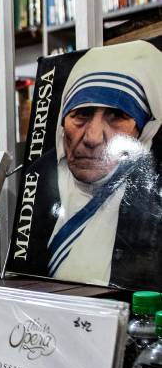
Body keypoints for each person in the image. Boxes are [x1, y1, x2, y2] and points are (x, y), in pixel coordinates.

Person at [17, 40, 162, 289]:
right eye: (82, 114)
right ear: (63, 121)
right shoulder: (39, 178)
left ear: (144, 131)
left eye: (117, 116)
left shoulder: (154, 190)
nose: (92, 138)